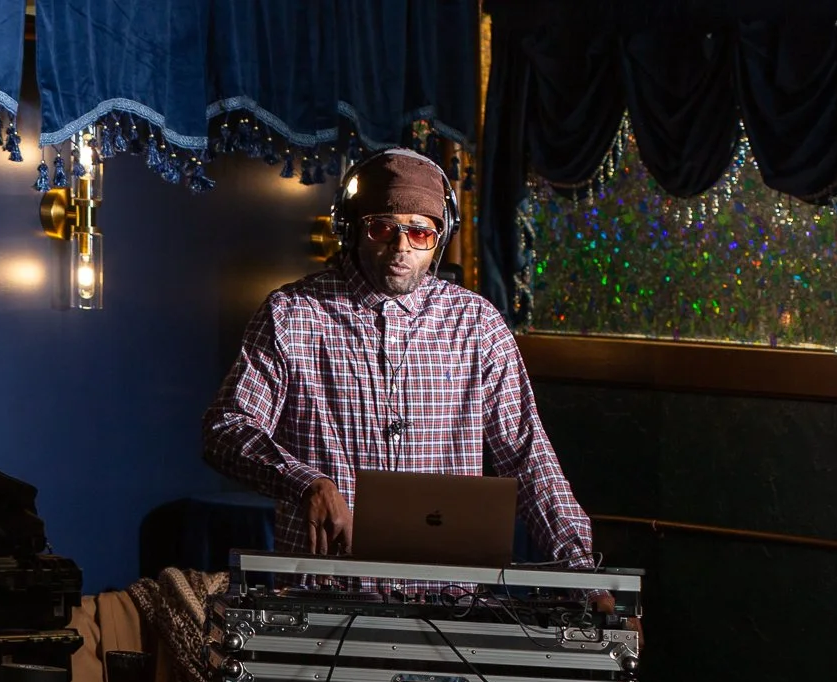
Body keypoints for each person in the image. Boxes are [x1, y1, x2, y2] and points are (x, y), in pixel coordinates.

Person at [202, 147, 595, 569]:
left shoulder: (477, 324)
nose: (401, 247)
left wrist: (583, 568)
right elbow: (226, 430)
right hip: (327, 589)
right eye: (382, 229)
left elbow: (527, 454)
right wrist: (305, 483)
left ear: (440, 238)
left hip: (446, 594)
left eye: (419, 232)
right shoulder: (291, 314)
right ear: (350, 229)